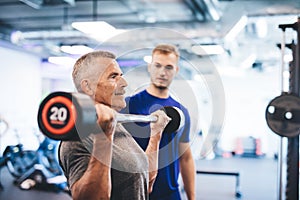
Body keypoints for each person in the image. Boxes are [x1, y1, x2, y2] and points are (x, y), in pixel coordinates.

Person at [58, 50, 171, 200]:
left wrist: (156, 133)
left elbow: (145, 181)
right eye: (113, 77)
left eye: (121, 76)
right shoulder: (77, 138)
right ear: (88, 87)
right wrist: (103, 138)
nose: (124, 83)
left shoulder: (115, 125)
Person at [121, 44, 196, 200]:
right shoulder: (129, 105)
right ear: (150, 67)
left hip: (169, 193)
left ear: (176, 70)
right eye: (157, 65)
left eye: (169, 67)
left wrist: (192, 197)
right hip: (135, 192)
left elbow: (186, 158)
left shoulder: (181, 112)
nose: (162, 72)